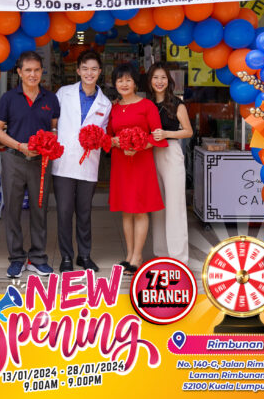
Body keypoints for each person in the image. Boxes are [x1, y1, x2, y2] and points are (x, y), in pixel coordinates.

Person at [0, 51, 60, 278]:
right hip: (14, 158)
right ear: (19, 72)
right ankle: (16, 259)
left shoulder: (50, 99)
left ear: (42, 72)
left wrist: (50, 141)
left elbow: (54, 127)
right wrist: (20, 146)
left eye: (37, 70)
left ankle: (38, 258)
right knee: (12, 210)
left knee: (40, 209)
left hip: (41, 162)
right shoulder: (9, 98)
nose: (33, 74)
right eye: (28, 70)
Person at [52, 50, 112, 273]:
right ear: (78, 70)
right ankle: (66, 257)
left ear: (100, 72)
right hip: (64, 162)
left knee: (84, 212)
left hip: (88, 164)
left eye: (94, 69)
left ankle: (84, 255)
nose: (89, 73)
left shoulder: (105, 103)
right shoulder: (63, 93)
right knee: (64, 211)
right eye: (85, 68)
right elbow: (53, 122)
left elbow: (103, 134)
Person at [108, 63, 167, 275]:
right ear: (115, 84)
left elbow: (157, 135)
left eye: (128, 80)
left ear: (135, 83)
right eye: (120, 80)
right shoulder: (114, 108)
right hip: (121, 162)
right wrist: (114, 141)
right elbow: (108, 136)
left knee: (140, 209)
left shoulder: (147, 106)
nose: (124, 84)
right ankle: (129, 255)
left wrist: (139, 145)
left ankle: (138, 256)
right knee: (126, 210)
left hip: (141, 162)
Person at [147, 62, 193, 265]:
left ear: (169, 80)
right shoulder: (147, 104)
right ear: (150, 81)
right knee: (157, 206)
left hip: (171, 152)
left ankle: (178, 257)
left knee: (175, 205)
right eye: (155, 77)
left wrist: (167, 134)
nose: (159, 81)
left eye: (163, 77)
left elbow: (188, 131)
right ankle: (161, 253)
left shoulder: (176, 104)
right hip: (150, 154)